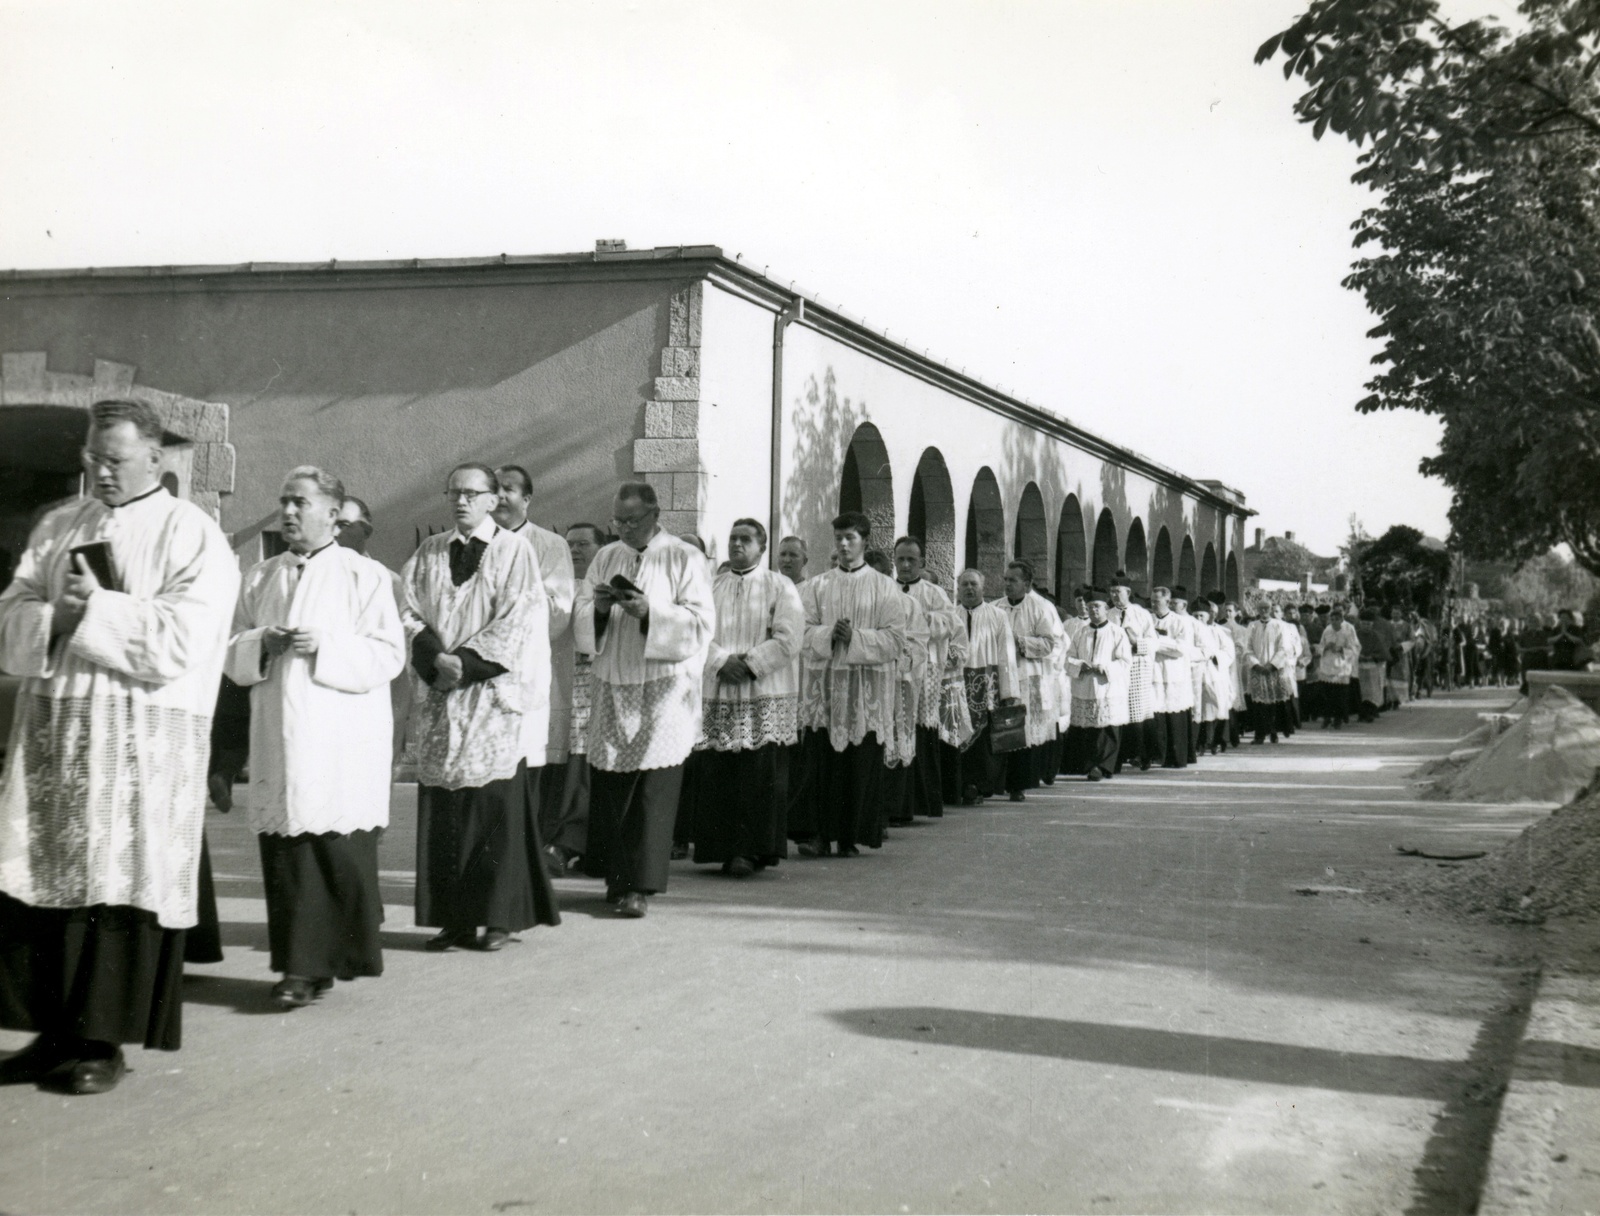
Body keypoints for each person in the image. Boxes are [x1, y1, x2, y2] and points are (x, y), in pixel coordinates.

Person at [0, 398, 239, 1093]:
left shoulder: (193, 534)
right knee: (42, 882)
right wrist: (56, 614)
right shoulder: (58, 524)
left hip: (137, 741)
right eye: (92, 459)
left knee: (114, 887)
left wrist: (97, 610)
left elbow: (185, 642)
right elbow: (10, 612)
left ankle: (102, 1044)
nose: (100, 472)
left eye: (116, 460)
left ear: (156, 458)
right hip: (55, 737)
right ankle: (50, 1035)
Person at [225, 467, 404, 1008]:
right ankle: (299, 967)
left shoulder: (365, 576)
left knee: (331, 849)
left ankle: (323, 963)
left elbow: (388, 655)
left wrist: (324, 646)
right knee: (287, 853)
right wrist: (261, 642)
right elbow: (230, 651)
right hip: (280, 733)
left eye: (301, 502)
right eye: (284, 501)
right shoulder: (259, 576)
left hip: (339, 738)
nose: (289, 512)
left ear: (333, 512)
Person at [402, 463, 558, 951]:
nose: (461, 501)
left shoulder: (516, 552)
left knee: (491, 807)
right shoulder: (429, 552)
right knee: (446, 806)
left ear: (493, 500)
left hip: (489, 695)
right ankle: (454, 919)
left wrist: (464, 664)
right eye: (454, 493)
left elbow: (522, 618)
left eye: (472, 493)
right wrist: (432, 656)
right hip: (440, 695)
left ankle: (497, 918)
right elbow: (406, 610)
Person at [573, 483, 714, 916]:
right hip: (615, 681)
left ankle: (641, 886)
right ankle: (617, 880)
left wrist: (649, 612)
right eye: (618, 520)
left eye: (633, 520)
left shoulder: (683, 556)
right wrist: (598, 608)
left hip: (662, 686)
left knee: (652, 790)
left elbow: (700, 622)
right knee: (615, 787)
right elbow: (579, 613)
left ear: (655, 514)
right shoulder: (606, 556)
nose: (625, 528)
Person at [686, 520, 803, 876]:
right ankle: (720, 848)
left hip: (762, 690)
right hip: (719, 688)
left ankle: (752, 851)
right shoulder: (710, 585)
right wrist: (721, 661)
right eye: (733, 538)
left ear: (761, 546)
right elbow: (695, 629)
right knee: (719, 772)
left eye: (745, 539)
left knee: (759, 775)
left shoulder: (779, 586)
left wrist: (750, 664)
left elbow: (789, 637)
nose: (737, 544)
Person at [793, 511, 907, 855]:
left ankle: (849, 836)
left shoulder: (885, 586)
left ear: (865, 541)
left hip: (864, 690)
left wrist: (855, 637)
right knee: (820, 762)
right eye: (839, 538)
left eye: (850, 538)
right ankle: (817, 835)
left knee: (858, 763)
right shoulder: (817, 585)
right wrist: (830, 634)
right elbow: (801, 631)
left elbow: (895, 640)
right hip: (824, 688)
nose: (843, 545)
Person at [491, 466, 578, 878]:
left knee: (533, 765)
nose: (501, 497)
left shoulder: (549, 544)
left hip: (529, 671)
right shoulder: (479, 543)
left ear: (527, 498)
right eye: (495, 490)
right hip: (482, 678)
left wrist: (507, 607)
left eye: (509, 489)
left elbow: (559, 609)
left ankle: (534, 849)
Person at [539, 522, 606, 876]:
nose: (576, 550)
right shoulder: (558, 585)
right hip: (558, 682)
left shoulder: (600, 584)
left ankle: (573, 842)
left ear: (600, 548)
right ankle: (555, 842)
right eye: (570, 544)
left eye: (584, 544)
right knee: (557, 764)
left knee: (585, 766)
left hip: (594, 683)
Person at [335, 495, 414, 767]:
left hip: (378, 703)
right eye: (331, 522)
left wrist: (398, 711)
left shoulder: (390, 583)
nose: (335, 532)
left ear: (366, 531)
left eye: (345, 524)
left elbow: (402, 653)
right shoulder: (313, 577)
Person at [893, 536, 963, 817]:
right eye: (901, 559)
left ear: (922, 562)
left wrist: (918, 616)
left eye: (912, 559)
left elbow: (949, 624)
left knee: (921, 729)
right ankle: (897, 804)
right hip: (896, 669)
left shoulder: (934, 593)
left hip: (928, 669)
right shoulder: (885, 589)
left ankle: (922, 801)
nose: (906, 565)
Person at [942, 569, 1018, 805]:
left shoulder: (997, 616)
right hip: (956, 682)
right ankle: (959, 785)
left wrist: (1009, 691)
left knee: (983, 741)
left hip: (987, 682)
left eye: (973, 584)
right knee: (956, 734)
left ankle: (978, 786)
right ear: (958, 588)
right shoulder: (950, 615)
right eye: (964, 584)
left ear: (983, 587)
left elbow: (1007, 654)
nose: (969, 589)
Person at [865, 549, 927, 830]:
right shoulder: (859, 602)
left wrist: (897, 656)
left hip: (896, 683)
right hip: (863, 684)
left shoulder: (907, 604)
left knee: (893, 740)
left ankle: (889, 811)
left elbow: (919, 643)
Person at [997, 561, 1062, 801]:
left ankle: (1018, 785)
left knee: (1022, 732)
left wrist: (1020, 642)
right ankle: (998, 781)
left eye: (1012, 580)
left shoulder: (1041, 607)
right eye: (1005, 579)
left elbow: (1049, 643)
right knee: (1001, 729)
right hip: (1002, 675)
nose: (1007, 584)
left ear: (1027, 583)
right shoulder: (996, 607)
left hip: (1028, 675)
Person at [1062, 587, 1131, 781]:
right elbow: (1068, 657)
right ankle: (1091, 765)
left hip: (1107, 686)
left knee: (1107, 729)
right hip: (1085, 685)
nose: (1093, 611)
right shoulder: (1080, 632)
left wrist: (1106, 668)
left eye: (1098, 607)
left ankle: (1104, 766)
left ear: (1106, 609)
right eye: (1091, 607)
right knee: (1089, 730)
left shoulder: (1117, 632)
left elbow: (1125, 661)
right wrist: (1079, 665)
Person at [1110, 574, 1157, 771]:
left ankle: (1142, 755)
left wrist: (1137, 642)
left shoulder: (1141, 614)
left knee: (1138, 713)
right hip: (1117, 667)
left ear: (1128, 592)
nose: (1114, 595)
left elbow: (1154, 642)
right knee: (1117, 711)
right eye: (1111, 592)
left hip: (1138, 667)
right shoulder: (1109, 614)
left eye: (1118, 591)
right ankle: (1118, 757)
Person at [1146, 585, 1197, 767]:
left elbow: (1181, 648)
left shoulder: (1180, 622)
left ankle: (1176, 756)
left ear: (1168, 602)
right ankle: (1157, 754)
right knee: (1155, 714)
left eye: (1156, 601)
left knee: (1174, 716)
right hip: (1153, 673)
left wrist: (1155, 643)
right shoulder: (1147, 620)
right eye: (1151, 601)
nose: (1153, 604)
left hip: (1174, 674)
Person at [1245, 603, 1294, 743]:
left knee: (1275, 702)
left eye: (1266, 608)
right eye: (1261, 608)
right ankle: (1259, 734)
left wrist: (1272, 665)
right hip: (1258, 669)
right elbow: (1247, 647)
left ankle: (1274, 731)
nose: (1264, 611)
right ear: (1258, 610)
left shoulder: (1280, 625)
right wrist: (1256, 664)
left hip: (1275, 669)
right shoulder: (1252, 626)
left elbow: (1284, 647)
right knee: (1259, 704)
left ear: (1271, 609)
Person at [1316, 605, 1360, 728]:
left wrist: (1341, 649)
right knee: (1327, 694)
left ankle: (1338, 718)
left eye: (1337, 619)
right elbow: (1320, 646)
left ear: (1342, 620)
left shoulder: (1348, 630)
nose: (1334, 622)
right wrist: (1325, 647)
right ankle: (1327, 717)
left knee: (1339, 696)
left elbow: (1355, 648)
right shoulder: (1327, 630)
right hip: (1327, 665)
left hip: (1341, 667)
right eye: (1332, 619)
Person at [1354, 607, 1389, 722]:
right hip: (1358, 667)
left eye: (1368, 624)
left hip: (1373, 667)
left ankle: (1371, 712)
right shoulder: (1355, 635)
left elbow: (1383, 653)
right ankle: (1362, 713)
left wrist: (1372, 657)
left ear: (1372, 624)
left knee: (1372, 691)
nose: (1366, 626)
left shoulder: (1377, 636)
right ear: (1360, 623)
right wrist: (1359, 656)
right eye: (1364, 624)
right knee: (1360, 691)